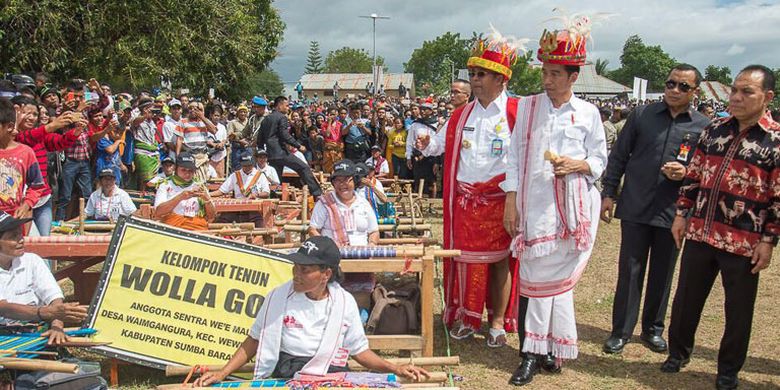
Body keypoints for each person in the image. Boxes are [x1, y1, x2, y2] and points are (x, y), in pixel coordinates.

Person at [503, 18, 607, 386]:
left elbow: (599, 159)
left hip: (573, 212)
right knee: (530, 281)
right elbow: (513, 158)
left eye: (555, 74)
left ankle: (551, 349)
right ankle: (528, 353)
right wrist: (510, 202)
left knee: (560, 283)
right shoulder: (528, 108)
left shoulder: (589, 113)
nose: (547, 81)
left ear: (573, 76)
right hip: (534, 209)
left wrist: (578, 164)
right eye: (545, 73)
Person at [662, 65, 778, 390]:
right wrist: (681, 214)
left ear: (767, 97)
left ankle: (728, 370)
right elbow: (693, 176)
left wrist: (769, 241)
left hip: (744, 242)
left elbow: (778, 199)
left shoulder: (775, 141)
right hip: (700, 231)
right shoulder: (714, 130)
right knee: (686, 299)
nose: (737, 97)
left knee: (738, 311)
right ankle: (678, 354)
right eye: (734, 90)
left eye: (747, 92)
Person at [193, 236, 428, 385]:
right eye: (295, 267)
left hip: (331, 373)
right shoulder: (277, 297)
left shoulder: (344, 303)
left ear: (326, 274)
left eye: (305, 270)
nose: (296, 274)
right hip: (287, 372)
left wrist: (395, 368)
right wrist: (222, 373)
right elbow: (254, 340)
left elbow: (359, 352)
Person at [416, 31, 522, 348]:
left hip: (501, 202)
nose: (474, 80)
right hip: (465, 202)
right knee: (464, 260)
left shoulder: (517, 112)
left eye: (481, 74)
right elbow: (438, 144)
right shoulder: (461, 114)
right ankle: (466, 317)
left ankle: (498, 323)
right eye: (473, 74)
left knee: (500, 261)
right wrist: (426, 143)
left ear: (501, 78)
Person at [601, 64, 710, 356]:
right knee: (630, 271)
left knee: (663, 274)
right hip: (636, 206)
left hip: (673, 212)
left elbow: (706, 171)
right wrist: (609, 193)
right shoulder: (642, 115)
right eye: (671, 83)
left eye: (683, 86)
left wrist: (685, 171)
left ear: (695, 92)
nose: (675, 90)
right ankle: (621, 331)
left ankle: (652, 330)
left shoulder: (703, 126)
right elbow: (619, 156)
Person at [0, 211, 88, 345]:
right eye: (13, 237)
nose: (21, 239)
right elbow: (3, 308)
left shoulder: (32, 261)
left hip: (34, 333)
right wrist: (45, 312)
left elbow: (54, 298)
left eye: (20, 233)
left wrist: (57, 327)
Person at [256, 96, 322, 197]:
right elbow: (285, 135)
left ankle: (274, 199)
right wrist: (298, 146)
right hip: (281, 153)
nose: (288, 108)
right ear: (279, 105)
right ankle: (317, 194)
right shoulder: (282, 117)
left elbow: (260, 139)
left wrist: (262, 154)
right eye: (286, 106)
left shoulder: (266, 119)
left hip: (271, 154)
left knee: (276, 179)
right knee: (304, 167)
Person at [308, 160, 378, 246]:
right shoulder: (324, 203)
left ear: (354, 181)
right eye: (338, 180)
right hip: (332, 256)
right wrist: (327, 246)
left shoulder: (363, 203)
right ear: (333, 183)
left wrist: (371, 245)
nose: (342, 184)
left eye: (346, 180)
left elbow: (374, 231)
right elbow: (313, 230)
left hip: (361, 256)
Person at [0, 98, 45, 219]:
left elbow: (37, 186)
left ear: (9, 127)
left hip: (13, 219)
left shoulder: (26, 153)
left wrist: (26, 205)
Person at [153, 152, 216, 230]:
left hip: (197, 228)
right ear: (175, 169)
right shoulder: (165, 185)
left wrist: (207, 200)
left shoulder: (200, 186)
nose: (187, 174)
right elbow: (158, 212)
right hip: (172, 228)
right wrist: (180, 197)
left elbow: (211, 216)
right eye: (183, 170)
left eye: (191, 171)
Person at [210, 154, 270, 227]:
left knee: (259, 223)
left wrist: (257, 195)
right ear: (241, 165)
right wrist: (208, 195)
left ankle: (259, 235)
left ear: (253, 164)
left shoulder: (260, 175)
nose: (247, 167)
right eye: (245, 165)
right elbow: (222, 191)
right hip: (237, 206)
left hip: (253, 207)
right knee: (222, 220)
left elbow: (266, 193)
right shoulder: (235, 175)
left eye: (249, 165)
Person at [175, 101, 218, 183]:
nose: (192, 110)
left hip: (202, 156)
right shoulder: (183, 122)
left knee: (202, 180)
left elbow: (214, 130)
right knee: (190, 179)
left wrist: (202, 117)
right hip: (190, 155)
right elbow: (179, 139)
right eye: (190, 108)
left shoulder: (204, 122)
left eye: (195, 108)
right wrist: (177, 156)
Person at [406, 103, 438, 197]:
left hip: (431, 156)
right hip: (417, 156)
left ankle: (431, 206)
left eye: (425, 109)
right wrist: (408, 156)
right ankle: (419, 203)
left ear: (431, 111)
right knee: (418, 180)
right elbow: (410, 141)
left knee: (432, 182)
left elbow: (437, 143)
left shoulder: (436, 124)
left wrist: (437, 161)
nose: (423, 111)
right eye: (422, 109)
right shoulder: (415, 125)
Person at [130, 98, 162, 189]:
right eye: (150, 109)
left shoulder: (151, 121)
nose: (152, 111)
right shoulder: (137, 117)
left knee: (154, 179)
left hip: (153, 152)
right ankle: (142, 196)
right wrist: (144, 115)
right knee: (145, 180)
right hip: (142, 152)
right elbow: (135, 122)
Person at [321, 108, 345, 173]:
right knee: (328, 168)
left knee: (338, 167)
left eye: (335, 114)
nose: (333, 116)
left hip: (338, 149)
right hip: (328, 149)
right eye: (331, 114)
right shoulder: (324, 124)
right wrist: (329, 123)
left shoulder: (340, 124)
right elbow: (327, 134)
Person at [227, 104, 250, 171]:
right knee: (237, 168)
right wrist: (240, 141)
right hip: (237, 149)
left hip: (247, 148)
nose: (243, 113)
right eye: (241, 112)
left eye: (244, 112)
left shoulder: (250, 122)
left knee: (248, 167)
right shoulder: (232, 123)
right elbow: (230, 136)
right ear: (237, 113)